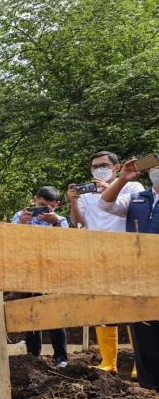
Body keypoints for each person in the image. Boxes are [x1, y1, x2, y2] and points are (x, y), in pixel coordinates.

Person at [67, 151, 144, 376]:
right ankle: (108, 360)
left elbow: (126, 210)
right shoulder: (87, 194)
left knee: (134, 309)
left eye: (103, 165)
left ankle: (141, 362)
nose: (98, 169)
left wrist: (108, 190)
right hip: (97, 255)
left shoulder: (133, 187)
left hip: (127, 254)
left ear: (116, 167)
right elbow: (79, 221)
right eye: (94, 166)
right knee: (102, 309)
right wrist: (73, 201)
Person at [98, 159, 159, 391]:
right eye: (155, 165)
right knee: (144, 334)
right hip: (138, 277)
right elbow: (105, 205)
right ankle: (149, 388)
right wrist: (122, 178)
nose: (157, 170)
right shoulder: (137, 198)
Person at [10, 186, 70, 369]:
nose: (44, 210)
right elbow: (8, 238)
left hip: (52, 271)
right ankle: (33, 356)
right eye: (41, 205)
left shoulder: (61, 220)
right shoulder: (21, 216)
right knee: (31, 314)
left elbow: (68, 242)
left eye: (49, 207)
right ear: (34, 200)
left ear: (57, 205)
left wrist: (56, 223)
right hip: (27, 271)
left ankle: (61, 357)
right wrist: (21, 224)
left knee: (55, 315)